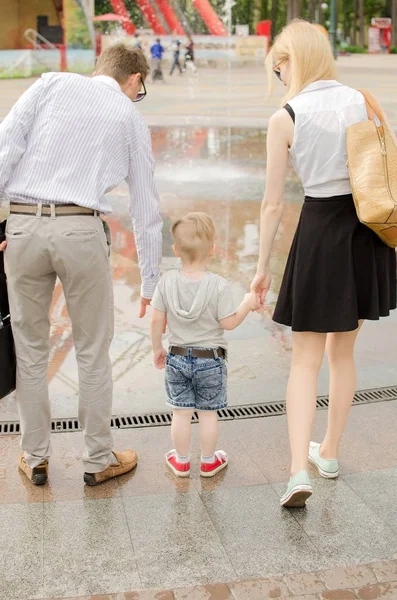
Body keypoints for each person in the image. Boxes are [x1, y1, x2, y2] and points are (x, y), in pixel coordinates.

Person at [0, 44, 163, 487]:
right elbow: (146, 206)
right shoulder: (130, 117)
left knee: (30, 350)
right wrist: (150, 279)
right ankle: (97, 459)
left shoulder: (52, 83)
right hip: (80, 229)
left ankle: (34, 457)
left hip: (23, 225)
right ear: (134, 79)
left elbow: (6, 144)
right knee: (92, 350)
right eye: (140, 89)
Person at [250, 20, 396, 508]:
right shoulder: (360, 99)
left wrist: (260, 267)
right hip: (362, 231)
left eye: (279, 63)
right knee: (342, 354)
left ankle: (297, 471)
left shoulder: (285, 116)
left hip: (318, 231)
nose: (278, 71)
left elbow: (272, 205)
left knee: (304, 359)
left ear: (293, 59)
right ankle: (329, 452)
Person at [150, 213, 259, 477]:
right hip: (210, 359)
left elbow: (156, 320)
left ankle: (182, 461)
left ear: (175, 250)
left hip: (176, 357)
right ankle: (209, 461)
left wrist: (157, 348)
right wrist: (246, 303)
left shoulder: (166, 282)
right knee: (208, 414)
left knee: (181, 412)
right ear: (212, 250)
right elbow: (229, 323)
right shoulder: (219, 286)